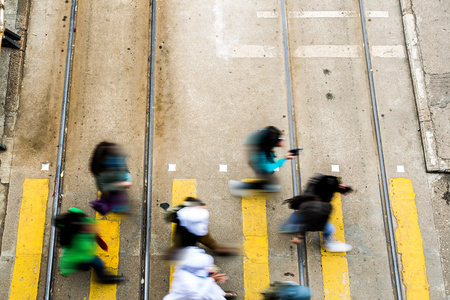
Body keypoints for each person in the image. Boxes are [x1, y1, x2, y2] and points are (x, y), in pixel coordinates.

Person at [279, 174, 353, 252]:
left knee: (296, 217)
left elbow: (323, 181)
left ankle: (289, 225)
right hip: (312, 215)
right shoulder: (324, 207)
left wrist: (338, 188)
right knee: (330, 229)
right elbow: (312, 224)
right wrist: (300, 236)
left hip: (304, 209)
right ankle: (329, 244)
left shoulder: (314, 184)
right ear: (329, 192)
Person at [54, 207, 125, 283]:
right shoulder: (75, 242)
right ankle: (102, 278)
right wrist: (65, 272)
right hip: (85, 257)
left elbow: (76, 212)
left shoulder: (76, 217)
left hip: (84, 255)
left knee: (85, 266)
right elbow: (67, 259)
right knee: (99, 264)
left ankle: (85, 267)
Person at [229, 126, 298, 196]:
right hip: (260, 165)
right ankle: (238, 188)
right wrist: (284, 158)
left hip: (259, 153)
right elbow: (268, 168)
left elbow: (268, 138)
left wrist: (278, 142)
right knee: (266, 179)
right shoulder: (259, 155)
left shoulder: (264, 133)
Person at [164, 197, 238, 259]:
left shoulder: (183, 213)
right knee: (210, 244)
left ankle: (219, 250)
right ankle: (220, 250)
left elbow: (189, 201)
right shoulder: (190, 219)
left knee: (209, 243)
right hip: (194, 237)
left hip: (197, 235)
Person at [164, 247, 237, 300]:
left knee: (214, 289)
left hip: (202, 284)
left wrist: (209, 269)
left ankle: (223, 294)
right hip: (197, 293)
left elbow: (201, 256)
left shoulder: (188, 254)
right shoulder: (186, 282)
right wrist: (211, 279)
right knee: (213, 295)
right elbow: (198, 295)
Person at [89, 142, 131, 215]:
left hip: (120, 179)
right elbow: (103, 186)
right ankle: (116, 208)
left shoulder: (114, 158)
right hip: (112, 188)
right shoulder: (100, 173)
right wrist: (120, 184)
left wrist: (126, 173)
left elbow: (122, 164)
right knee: (115, 198)